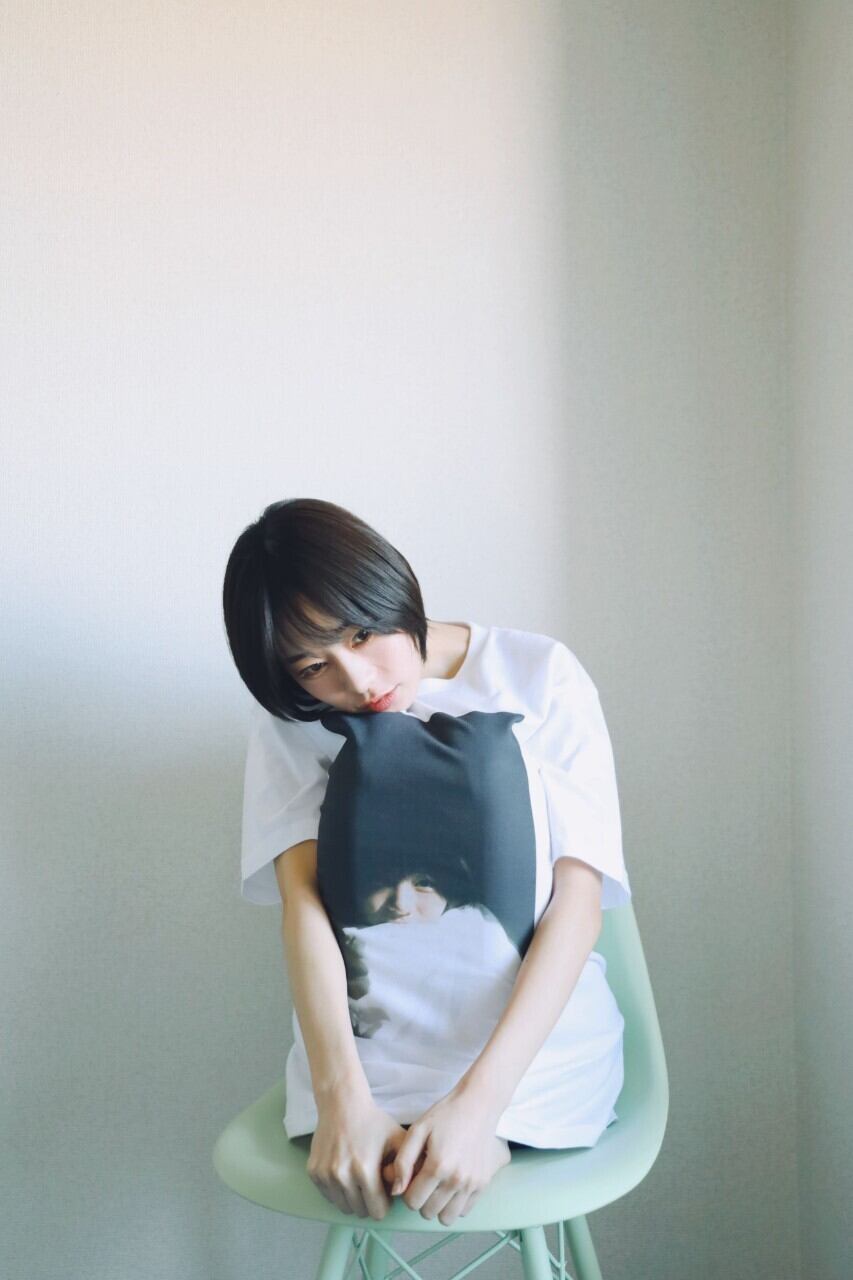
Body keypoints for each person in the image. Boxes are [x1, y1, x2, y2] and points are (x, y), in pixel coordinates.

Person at [222, 497, 631, 1228]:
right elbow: (304, 909)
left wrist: (481, 1104)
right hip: (360, 1066)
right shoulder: (290, 725)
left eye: (360, 633)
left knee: (450, 1156)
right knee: (371, 1169)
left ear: (390, 586)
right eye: (314, 666)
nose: (356, 681)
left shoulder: (537, 673)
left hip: (534, 1059)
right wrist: (343, 1099)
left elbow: (578, 904)